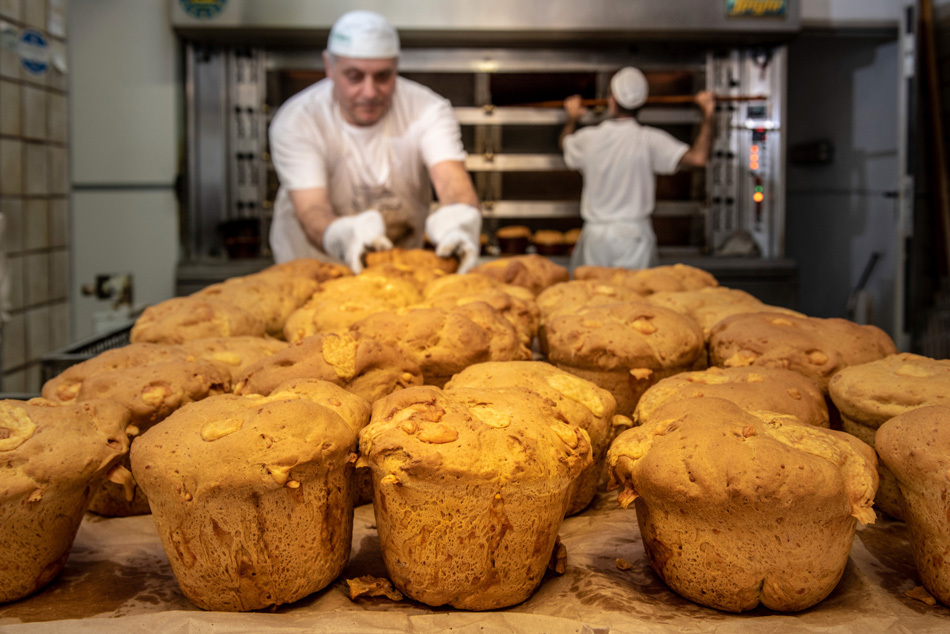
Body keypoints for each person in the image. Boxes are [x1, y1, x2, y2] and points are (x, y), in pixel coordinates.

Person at [268, 10, 481, 273]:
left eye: (383, 76)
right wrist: (344, 237)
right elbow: (312, 209)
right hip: (315, 269)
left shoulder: (427, 110)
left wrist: (459, 223)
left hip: (396, 270)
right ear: (329, 67)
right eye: (354, 76)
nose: (369, 92)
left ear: (396, 67)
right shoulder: (299, 119)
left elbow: (451, 180)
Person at [559, 66, 715, 270]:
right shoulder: (649, 139)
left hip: (597, 239)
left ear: (611, 99)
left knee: (594, 297)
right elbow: (699, 158)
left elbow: (564, 143)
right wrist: (708, 112)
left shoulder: (590, 139)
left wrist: (572, 117)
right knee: (634, 298)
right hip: (634, 239)